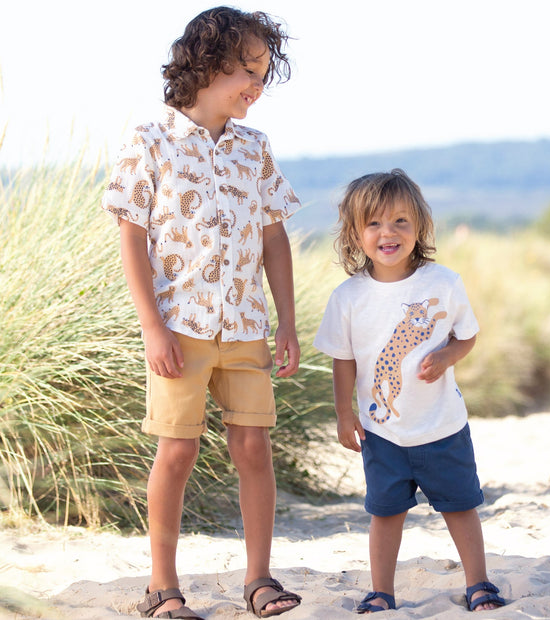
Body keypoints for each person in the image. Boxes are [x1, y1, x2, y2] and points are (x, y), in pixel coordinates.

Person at [102, 7, 302, 618]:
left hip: (245, 325)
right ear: (208, 65)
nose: (257, 86)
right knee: (177, 451)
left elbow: (273, 238)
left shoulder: (255, 149)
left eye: (264, 74)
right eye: (249, 70)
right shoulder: (151, 141)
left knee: (253, 447)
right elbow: (131, 236)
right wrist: (151, 328)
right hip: (179, 331)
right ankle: (163, 586)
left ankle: (260, 580)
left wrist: (287, 322)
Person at [313, 170, 506, 613]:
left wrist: (446, 358)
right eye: (375, 223)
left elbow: (468, 335)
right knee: (384, 513)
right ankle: (382, 591)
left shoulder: (442, 283)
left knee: (460, 506)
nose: (389, 233)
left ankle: (478, 584)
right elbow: (343, 360)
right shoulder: (348, 297)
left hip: (442, 426)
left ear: (419, 227)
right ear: (355, 234)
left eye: (401, 221)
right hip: (383, 432)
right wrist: (344, 413)